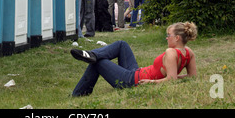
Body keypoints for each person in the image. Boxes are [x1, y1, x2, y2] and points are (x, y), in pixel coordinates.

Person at [70, 22, 198, 96]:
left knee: (99, 63)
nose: (166, 38)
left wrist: (151, 82)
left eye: (168, 35)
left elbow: (171, 80)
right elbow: (192, 77)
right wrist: (174, 76)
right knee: (122, 44)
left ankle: (78, 94)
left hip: (131, 80)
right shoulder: (188, 52)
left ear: (177, 38)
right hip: (136, 72)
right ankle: (92, 54)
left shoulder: (171, 52)